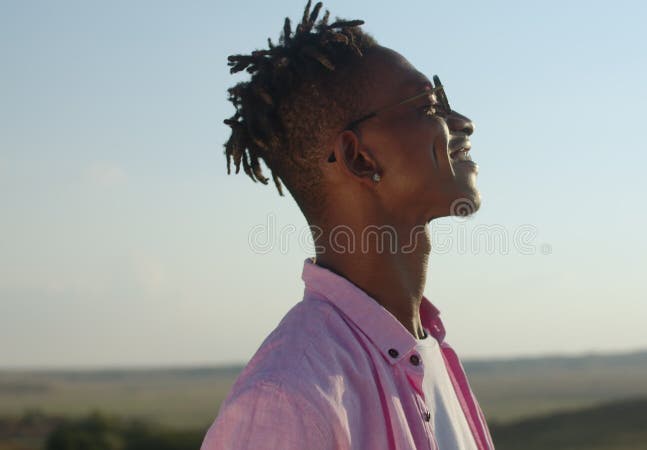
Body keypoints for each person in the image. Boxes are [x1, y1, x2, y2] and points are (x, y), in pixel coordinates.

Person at [201, 2, 493, 449]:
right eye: (431, 106)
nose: (463, 123)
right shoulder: (292, 399)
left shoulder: (431, 351)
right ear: (359, 157)